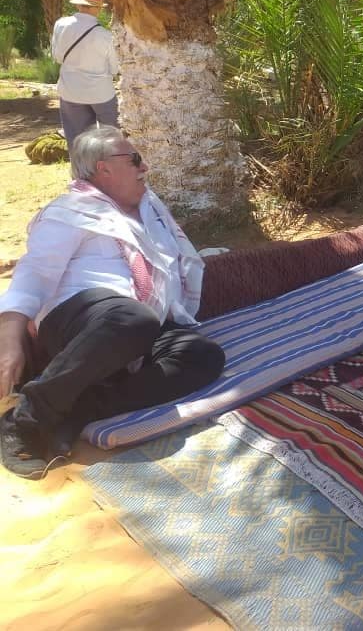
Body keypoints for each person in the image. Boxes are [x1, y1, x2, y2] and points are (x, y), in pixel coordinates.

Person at [0, 126, 225, 479]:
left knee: (203, 356)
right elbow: (34, 273)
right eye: (134, 159)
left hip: (139, 321)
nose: (144, 167)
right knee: (131, 318)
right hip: (82, 319)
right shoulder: (69, 211)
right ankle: (24, 420)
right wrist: (10, 338)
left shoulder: (150, 211)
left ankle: (79, 409)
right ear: (103, 168)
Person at [51, 0, 120, 148]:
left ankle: (81, 166)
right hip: (101, 94)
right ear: (98, 8)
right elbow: (115, 69)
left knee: (77, 142)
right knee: (112, 140)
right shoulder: (105, 36)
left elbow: (57, 57)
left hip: (70, 91)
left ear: (78, 4)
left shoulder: (60, 24)